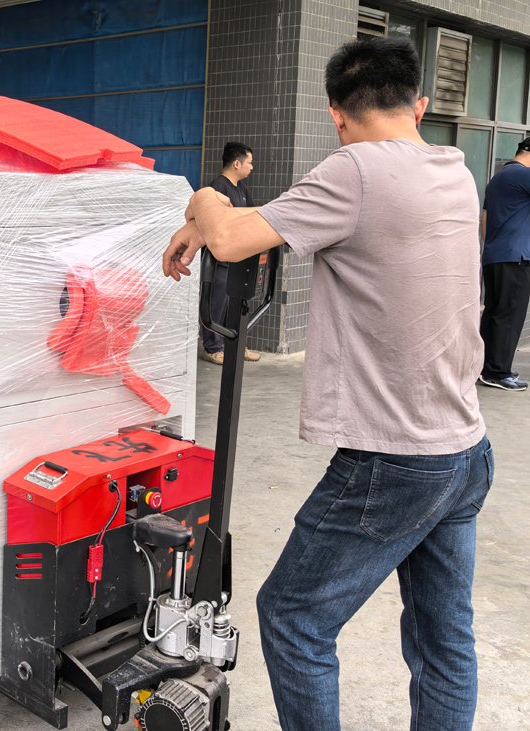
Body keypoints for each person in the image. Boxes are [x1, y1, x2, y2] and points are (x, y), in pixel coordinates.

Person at [162, 37, 491, 731]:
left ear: (336, 114)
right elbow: (253, 229)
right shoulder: (454, 170)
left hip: (395, 458)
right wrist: (209, 221)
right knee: (445, 641)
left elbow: (230, 240)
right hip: (465, 450)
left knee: (293, 616)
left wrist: (200, 199)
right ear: (420, 106)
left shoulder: (355, 171)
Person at [201, 143, 261, 365]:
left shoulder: (242, 189)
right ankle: (212, 348)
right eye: (249, 163)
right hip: (220, 261)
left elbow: (250, 216)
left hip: (238, 260)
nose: (251, 167)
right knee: (216, 305)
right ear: (237, 163)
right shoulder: (217, 187)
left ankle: (235, 345)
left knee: (235, 306)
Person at [478, 138, 530, 391]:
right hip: (516, 257)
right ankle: (499, 372)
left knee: (494, 313)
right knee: (510, 315)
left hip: (495, 255)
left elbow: (484, 218)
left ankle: (485, 366)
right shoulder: (524, 175)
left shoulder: (498, 179)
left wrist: (493, 246)